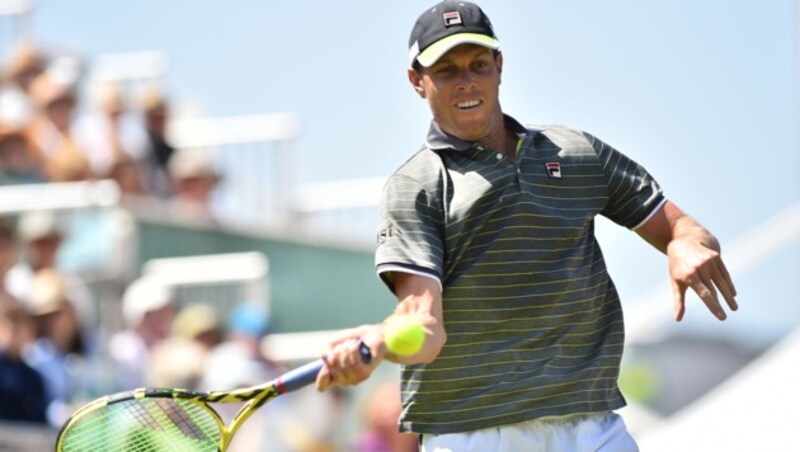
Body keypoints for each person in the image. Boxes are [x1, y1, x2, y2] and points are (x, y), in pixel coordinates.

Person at [315, 2, 739, 451]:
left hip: (591, 422)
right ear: (417, 81)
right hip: (474, 433)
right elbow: (424, 326)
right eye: (446, 70)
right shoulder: (415, 186)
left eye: (479, 65)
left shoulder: (575, 151)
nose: (467, 82)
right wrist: (381, 340)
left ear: (500, 65)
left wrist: (685, 242)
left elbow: (681, 228)